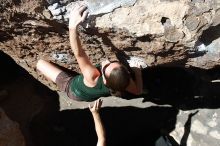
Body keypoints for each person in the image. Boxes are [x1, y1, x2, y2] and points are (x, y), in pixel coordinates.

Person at [36, 4, 143, 101]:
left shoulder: (93, 76)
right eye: (115, 63)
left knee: (40, 63)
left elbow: (79, 53)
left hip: (73, 90)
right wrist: (137, 71)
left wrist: (72, 26)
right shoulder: (123, 82)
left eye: (106, 67)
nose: (107, 62)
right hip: (91, 96)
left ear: (104, 80)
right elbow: (138, 91)